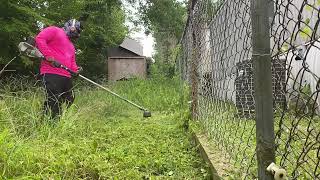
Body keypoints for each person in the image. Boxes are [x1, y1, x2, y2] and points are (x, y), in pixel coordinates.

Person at [35, 19, 83, 120]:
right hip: (51, 72)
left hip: (66, 75)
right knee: (53, 99)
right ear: (71, 27)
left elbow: (72, 61)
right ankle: (49, 124)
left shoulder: (71, 45)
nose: (76, 35)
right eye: (76, 31)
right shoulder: (55, 30)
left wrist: (76, 69)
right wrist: (48, 55)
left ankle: (58, 118)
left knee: (70, 98)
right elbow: (40, 38)